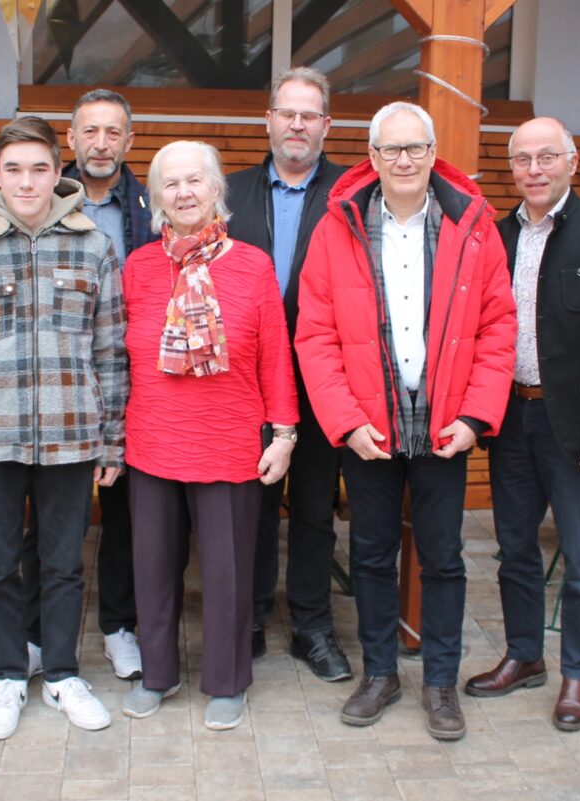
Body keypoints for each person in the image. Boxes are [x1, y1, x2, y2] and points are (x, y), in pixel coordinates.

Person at [295, 102, 516, 741]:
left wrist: (476, 417)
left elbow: (499, 328)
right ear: (371, 157)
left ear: (433, 152)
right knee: (369, 555)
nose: (403, 160)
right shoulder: (337, 228)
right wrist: (344, 421)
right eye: (391, 150)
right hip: (369, 429)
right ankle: (381, 675)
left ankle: (441, 684)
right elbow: (315, 336)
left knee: (444, 559)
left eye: (415, 148)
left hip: (447, 428)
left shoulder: (471, 226)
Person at [0, 116, 127, 740]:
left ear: (57, 171)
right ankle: (10, 676)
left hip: (72, 437)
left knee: (65, 564)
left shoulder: (93, 246)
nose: (26, 180)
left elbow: (111, 351)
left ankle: (64, 673)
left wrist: (112, 438)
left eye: (39, 167)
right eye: (13, 168)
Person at [464, 116, 580, 732]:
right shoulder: (497, 236)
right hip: (511, 416)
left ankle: (578, 675)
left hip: (577, 427)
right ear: (512, 168)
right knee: (514, 549)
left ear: (573, 161)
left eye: (547, 157)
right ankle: (525, 657)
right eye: (522, 159)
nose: (534, 169)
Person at [119, 140, 297, 731]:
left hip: (229, 440)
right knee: (152, 569)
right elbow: (119, 360)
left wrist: (284, 434)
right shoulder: (139, 267)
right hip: (152, 440)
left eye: (195, 180)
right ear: (155, 198)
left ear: (217, 189)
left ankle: (227, 680)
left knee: (227, 573)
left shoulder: (252, 265)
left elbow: (275, 355)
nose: (184, 193)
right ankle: (157, 674)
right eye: (170, 184)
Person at [20, 89, 157, 683]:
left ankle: (119, 626)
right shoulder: (41, 201)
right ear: (69, 142)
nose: (101, 143)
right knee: (52, 518)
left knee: (126, 514)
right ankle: (33, 633)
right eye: (89, 132)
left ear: (130, 142)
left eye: (113, 133)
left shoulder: (153, 207)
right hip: (65, 379)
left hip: (141, 379)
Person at [226, 67, 351, 681]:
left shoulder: (354, 195)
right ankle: (247, 617)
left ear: (326, 125)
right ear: (268, 121)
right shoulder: (231, 193)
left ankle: (311, 626)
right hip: (244, 385)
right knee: (248, 506)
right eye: (287, 112)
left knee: (311, 509)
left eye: (309, 115)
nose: (297, 124)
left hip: (324, 379)